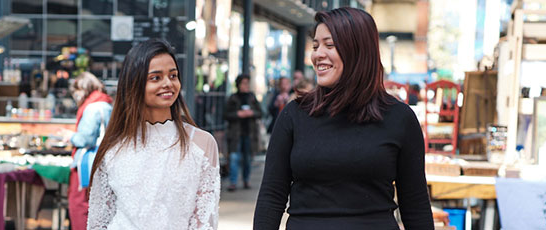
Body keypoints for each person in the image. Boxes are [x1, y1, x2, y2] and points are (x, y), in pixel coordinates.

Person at [253, 8, 433, 229]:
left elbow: (415, 205)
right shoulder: (294, 114)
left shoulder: (400, 118)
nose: (318, 54)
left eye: (329, 45)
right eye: (315, 45)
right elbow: (271, 196)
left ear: (358, 50)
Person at [87, 39, 220, 229]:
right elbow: (98, 221)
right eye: (155, 78)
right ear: (134, 84)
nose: (168, 83)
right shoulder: (113, 146)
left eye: (173, 76)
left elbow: (205, 221)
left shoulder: (202, 143)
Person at [68, 72, 113, 230]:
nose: (75, 95)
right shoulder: (106, 104)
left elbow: (86, 139)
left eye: (76, 91)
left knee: (80, 207)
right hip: (103, 163)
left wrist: (70, 137)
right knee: (97, 207)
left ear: (82, 88)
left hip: (87, 164)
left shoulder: (93, 107)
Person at [224, 74, 262, 191]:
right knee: (234, 157)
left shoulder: (252, 97)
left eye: (247, 83)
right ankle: (233, 182)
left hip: (249, 134)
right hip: (236, 134)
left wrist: (251, 113)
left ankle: (246, 180)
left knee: (248, 158)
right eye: (244, 83)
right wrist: (238, 114)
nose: (246, 86)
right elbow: (225, 114)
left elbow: (260, 112)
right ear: (239, 84)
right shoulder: (233, 98)